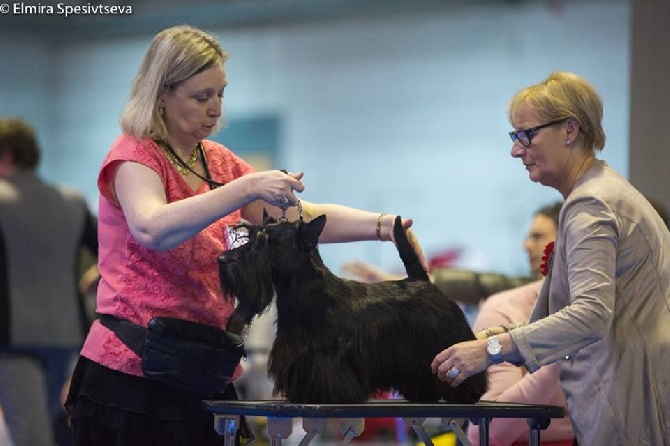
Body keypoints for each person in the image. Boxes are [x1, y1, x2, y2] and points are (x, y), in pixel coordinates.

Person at [64, 24, 426, 446]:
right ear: (161, 94)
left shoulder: (218, 161)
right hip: (132, 377)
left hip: (206, 368)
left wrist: (384, 226)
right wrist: (246, 188)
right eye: (202, 97)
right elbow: (151, 227)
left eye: (221, 94)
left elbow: (298, 217)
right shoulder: (133, 155)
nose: (216, 109)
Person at [432, 71, 670, 445]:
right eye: (515, 136)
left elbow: (590, 315)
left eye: (527, 134)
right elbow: (561, 317)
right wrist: (487, 339)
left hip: (627, 404)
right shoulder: (604, 193)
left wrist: (489, 350)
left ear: (570, 130)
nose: (516, 149)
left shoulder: (593, 203)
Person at [0, 117, 98, 445]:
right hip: (65, 337)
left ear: (7, 156)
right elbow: (115, 254)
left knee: (32, 433)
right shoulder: (72, 201)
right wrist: (92, 276)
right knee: (45, 424)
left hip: (12, 341)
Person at [467, 201, 575, 446]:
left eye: (538, 236)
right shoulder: (501, 311)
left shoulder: (615, 313)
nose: (526, 245)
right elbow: (487, 433)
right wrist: (565, 344)